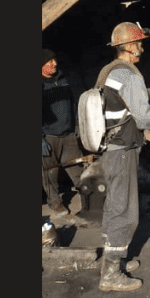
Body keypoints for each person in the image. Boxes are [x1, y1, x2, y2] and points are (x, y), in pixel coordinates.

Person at [81, 22, 150, 292]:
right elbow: (144, 117)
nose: (142, 48)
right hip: (124, 150)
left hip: (110, 149)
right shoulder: (129, 76)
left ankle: (112, 258)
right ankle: (111, 273)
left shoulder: (107, 72)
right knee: (125, 211)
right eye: (139, 43)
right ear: (129, 46)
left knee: (114, 206)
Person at [42, 48, 87, 219]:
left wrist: (76, 126)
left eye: (54, 59)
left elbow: (72, 104)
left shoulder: (63, 80)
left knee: (77, 169)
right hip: (49, 137)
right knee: (49, 173)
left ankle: (89, 196)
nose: (54, 63)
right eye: (50, 61)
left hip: (68, 135)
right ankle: (54, 201)